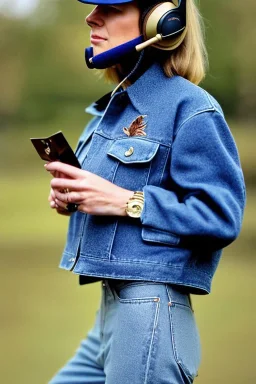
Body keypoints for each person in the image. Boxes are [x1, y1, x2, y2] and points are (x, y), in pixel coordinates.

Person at [46, 0, 245, 383]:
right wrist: (74, 199)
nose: (92, 17)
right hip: (107, 317)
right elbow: (108, 194)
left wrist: (127, 201)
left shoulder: (193, 110)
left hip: (148, 313)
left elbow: (222, 216)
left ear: (162, 21)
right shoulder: (112, 108)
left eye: (111, 8)